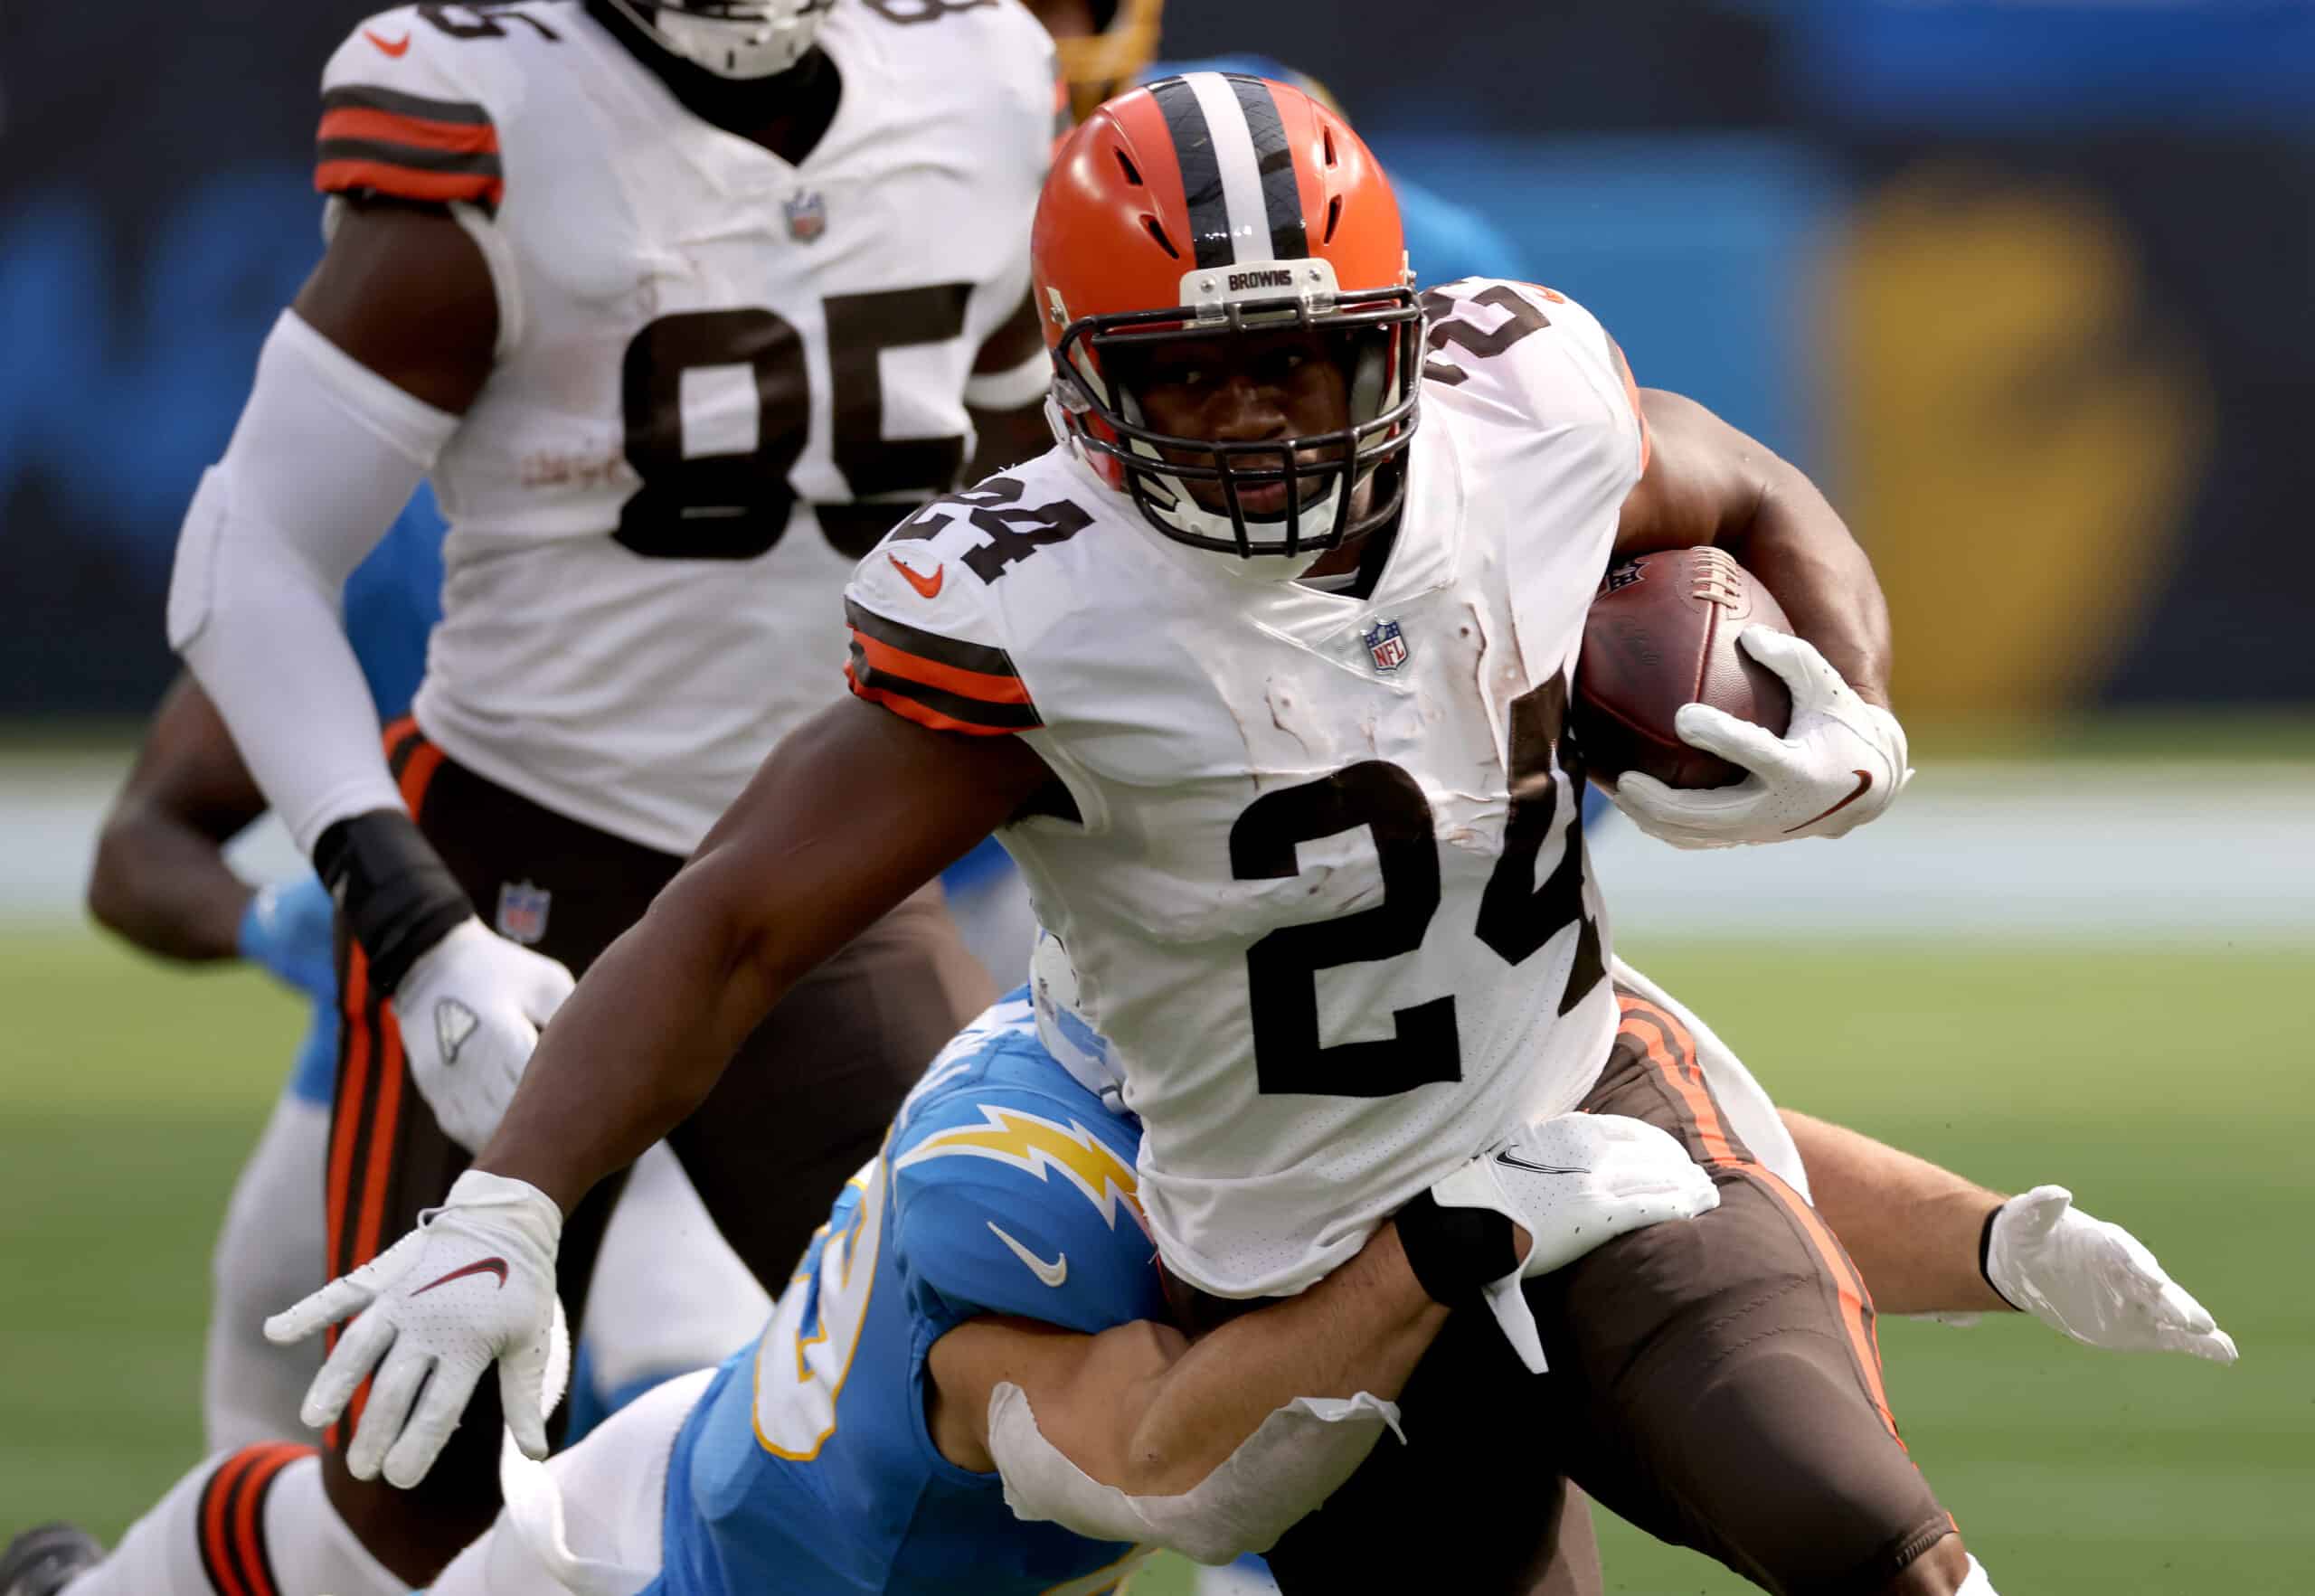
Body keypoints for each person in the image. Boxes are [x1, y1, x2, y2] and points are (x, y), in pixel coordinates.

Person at [241, 73, 2008, 1592]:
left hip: (1571, 1117)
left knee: (1859, 1527)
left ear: (1390, 335)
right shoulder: (1039, 610)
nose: (1254, 427)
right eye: (1196, 382)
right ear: (1082, 390)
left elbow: (1746, 481)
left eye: (1296, 364)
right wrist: (514, 1203)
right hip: (1293, 1248)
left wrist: (1845, 697)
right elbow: (735, 924)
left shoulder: (1521, 416)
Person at [69, 2, 1058, 1591]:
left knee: (1023, 1429)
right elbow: (246, 558)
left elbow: (1032, 486)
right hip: (532, 863)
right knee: (409, 1512)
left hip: (826, 881)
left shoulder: (982, 66)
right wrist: (415, 930)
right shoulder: (494, 103)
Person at [19, 972, 2210, 1596]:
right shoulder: (1022, 1217)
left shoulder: (1249, 1066)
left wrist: (1995, 1246)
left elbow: (1702, 1135)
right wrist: (1448, 1246)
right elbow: (1170, 1466)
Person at [79, 489, 768, 1464]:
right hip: (409, 1066)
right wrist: (278, 923)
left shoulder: (786, 522)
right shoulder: (389, 546)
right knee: (290, 1424)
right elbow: (135, 847)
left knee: (693, 1426)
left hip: (695, 1064)